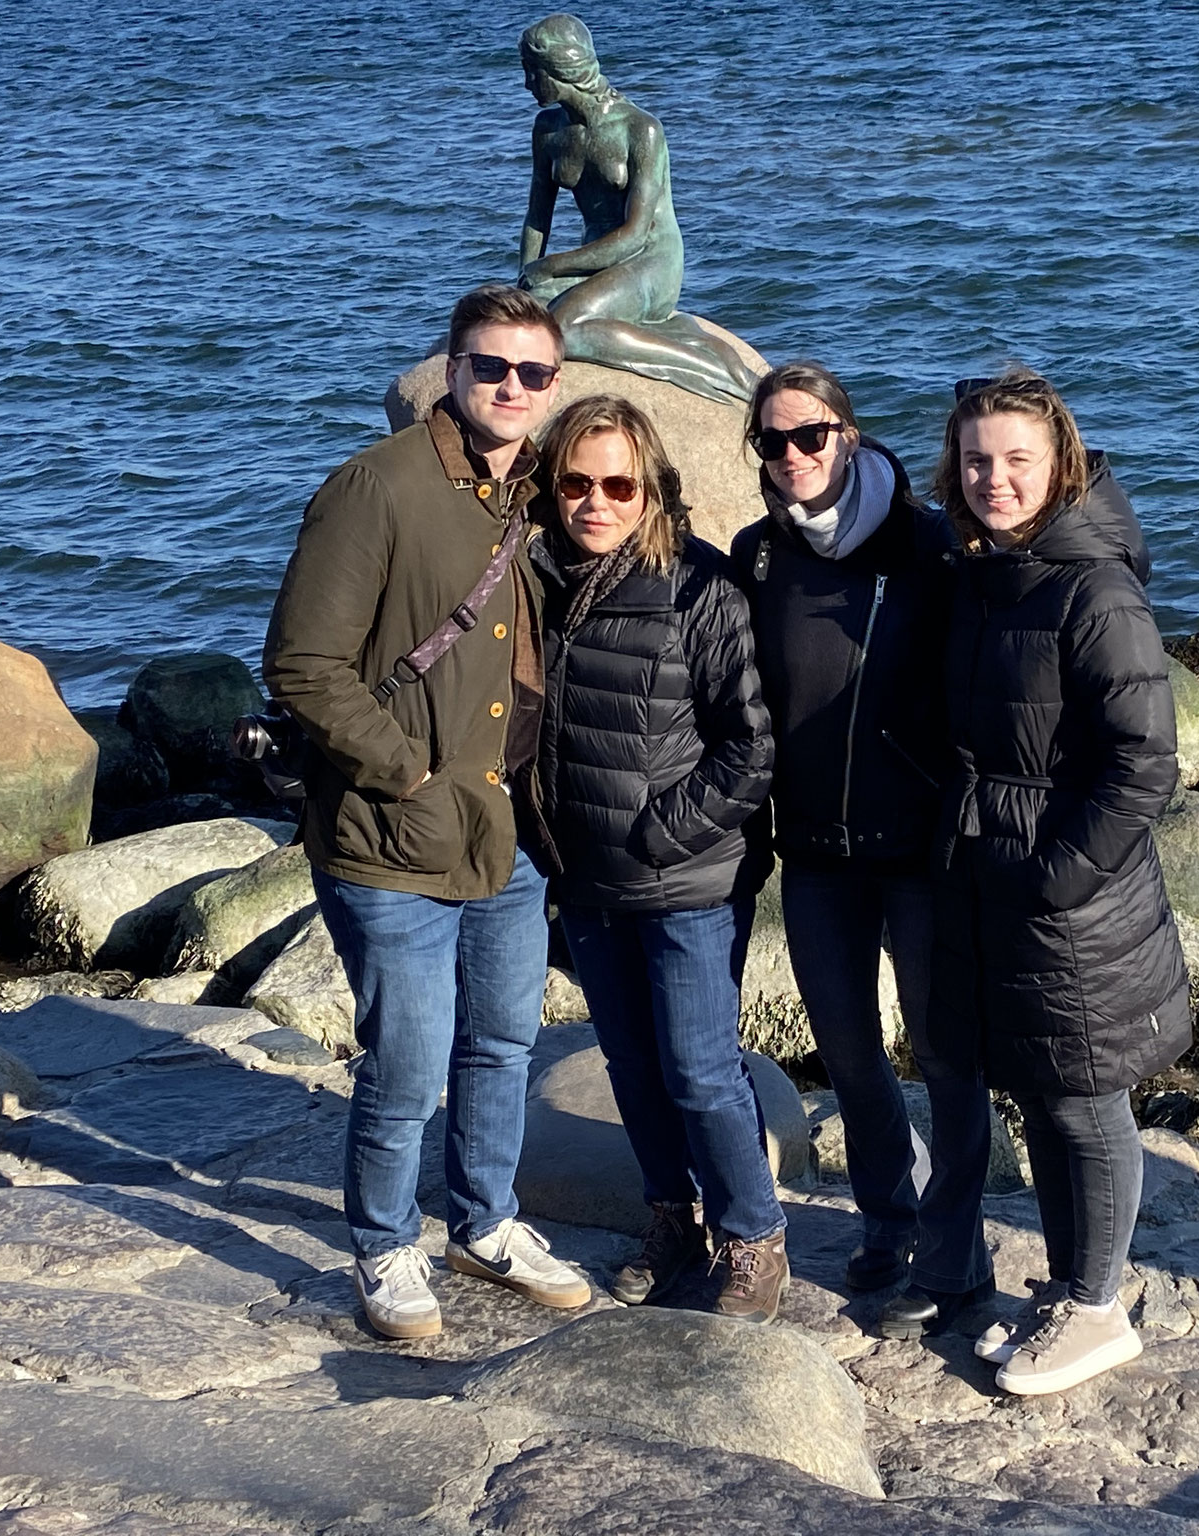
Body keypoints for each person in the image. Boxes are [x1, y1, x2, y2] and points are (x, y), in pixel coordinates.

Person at [263, 284, 592, 1340]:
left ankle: (485, 1224)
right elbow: (303, 666)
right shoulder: (376, 488)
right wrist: (407, 775)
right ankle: (382, 1245)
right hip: (390, 832)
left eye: (531, 373)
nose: (509, 387)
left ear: (551, 387)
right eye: (490, 366)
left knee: (500, 1042)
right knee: (405, 1061)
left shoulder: (529, 493)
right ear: (450, 371)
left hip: (504, 830)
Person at [928, 369, 1192, 1395]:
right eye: (977, 460)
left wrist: (1058, 878)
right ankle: (1075, 1288)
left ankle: (1096, 1309)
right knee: (1042, 1096)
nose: (994, 478)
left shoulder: (1093, 590)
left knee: (1085, 1103)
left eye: (1017, 461)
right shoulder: (989, 570)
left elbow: (1143, 764)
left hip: (1067, 897)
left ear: (1060, 466)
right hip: (999, 877)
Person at [730, 363, 995, 1335]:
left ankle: (955, 1259)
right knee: (848, 1056)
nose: (793, 456)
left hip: (921, 853)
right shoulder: (758, 559)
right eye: (773, 442)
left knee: (946, 1057)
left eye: (811, 436)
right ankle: (890, 1220)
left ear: (848, 436)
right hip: (814, 857)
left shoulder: (926, 546)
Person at [523, 393, 787, 1323]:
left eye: (619, 485)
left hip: (686, 880)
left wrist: (660, 834)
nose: (596, 502)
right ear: (552, 489)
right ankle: (671, 1216)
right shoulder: (533, 582)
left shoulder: (698, 590)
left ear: (652, 492)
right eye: (577, 483)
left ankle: (753, 1236)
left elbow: (749, 747)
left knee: (701, 1068)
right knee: (631, 1065)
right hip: (586, 878)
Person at [514, 13, 759, 403]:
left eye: (531, 72)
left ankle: (728, 376)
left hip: (649, 259)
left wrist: (552, 266)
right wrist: (525, 278)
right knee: (521, 316)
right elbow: (537, 216)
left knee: (565, 327)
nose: (526, 83)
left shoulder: (640, 129)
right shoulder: (548, 130)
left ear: (559, 68)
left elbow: (633, 235)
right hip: (593, 261)